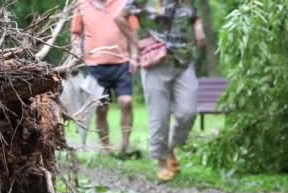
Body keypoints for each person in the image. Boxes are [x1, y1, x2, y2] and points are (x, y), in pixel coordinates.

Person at [115, 0, 205, 181]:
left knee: (188, 113)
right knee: (160, 115)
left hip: (183, 61)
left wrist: (198, 28)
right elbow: (119, 18)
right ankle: (162, 161)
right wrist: (136, 42)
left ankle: (170, 147)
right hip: (156, 62)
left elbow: (194, 16)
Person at [70, 0, 140, 154]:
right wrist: (76, 52)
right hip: (94, 64)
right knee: (101, 108)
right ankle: (106, 147)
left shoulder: (123, 3)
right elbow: (75, 33)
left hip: (122, 61)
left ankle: (125, 145)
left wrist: (134, 56)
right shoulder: (81, 4)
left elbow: (133, 30)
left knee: (126, 101)